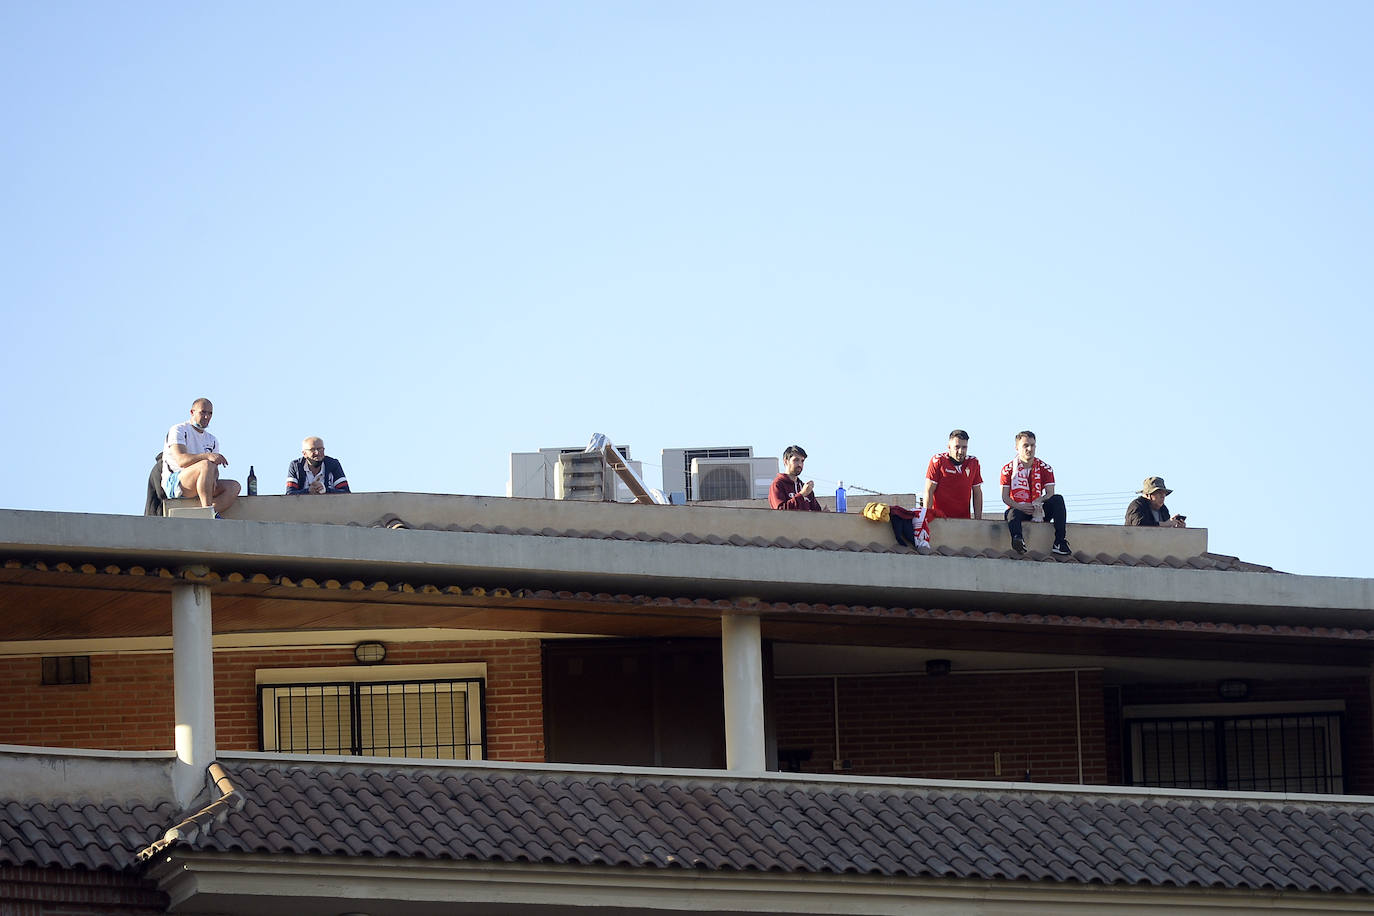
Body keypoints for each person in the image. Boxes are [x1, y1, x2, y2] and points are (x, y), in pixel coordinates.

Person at [161, 398, 240, 517]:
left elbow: (214, 471)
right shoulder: (179, 430)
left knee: (234, 486)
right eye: (203, 412)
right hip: (177, 481)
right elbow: (181, 460)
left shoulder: (212, 440)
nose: (207, 417)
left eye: (210, 413)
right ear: (192, 412)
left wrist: (213, 476)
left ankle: (209, 513)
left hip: (201, 482)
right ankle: (207, 512)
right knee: (206, 464)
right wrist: (207, 456)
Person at [1000, 430, 1069, 556]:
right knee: (1011, 513)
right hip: (1019, 509)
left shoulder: (1045, 467)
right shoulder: (1008, 469)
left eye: (1032, 445)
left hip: (1039, 509)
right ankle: (1018, 540)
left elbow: (1050, 493)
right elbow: (1005, 497)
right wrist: (1020, 506)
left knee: (1058, 500)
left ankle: (1059, 542)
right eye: (1025, 445)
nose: (1029, 449)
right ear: (1017, 448)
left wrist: (1039, 501)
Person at [923, 429, 984, 520]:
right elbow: (929, 490)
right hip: (940, 519)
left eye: (964, 447)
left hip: (963, 520)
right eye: (957, 447)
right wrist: (926, 517)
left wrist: (978, 520)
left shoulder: (973, 462)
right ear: (949, 446)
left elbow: (977, 492)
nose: (960, 451)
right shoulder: (938, 461)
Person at [286, 437, 351, 495]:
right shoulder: (296, 466)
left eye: (320, 449)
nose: (317, 452)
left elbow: (346, 492)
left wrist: (325, 490)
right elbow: (289, 494)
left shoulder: (333, 464)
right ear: (304, 453)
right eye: (312, 449)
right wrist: (308, 491)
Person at [770, 445, 824, 511]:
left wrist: (824, 515)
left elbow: (816, 513)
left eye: (802, 461)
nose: (800, 464)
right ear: (786, 461)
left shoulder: (805, 488)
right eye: (796, 460)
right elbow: (780, 511)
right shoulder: (778, 484)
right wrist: (802, 495)